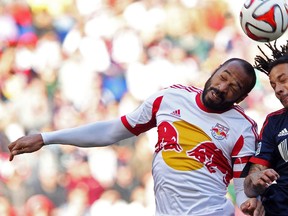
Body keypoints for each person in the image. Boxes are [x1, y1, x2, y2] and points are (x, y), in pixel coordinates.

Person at [8, 58, 264, 216]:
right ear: (216, 69)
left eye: (234, 88)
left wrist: (251, 203)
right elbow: (113, 130)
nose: (222, 88)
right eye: (223, 77)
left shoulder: (243, 128)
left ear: (241, 98)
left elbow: (242, 189)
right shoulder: (170, 98)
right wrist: (46, 137)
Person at [244, 40, 288, 216]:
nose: (277, 89)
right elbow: (249, 186)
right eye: (273, 85)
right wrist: (255, 180)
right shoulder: (273, 122)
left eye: (283, 80)